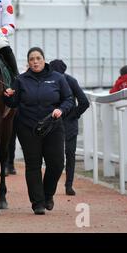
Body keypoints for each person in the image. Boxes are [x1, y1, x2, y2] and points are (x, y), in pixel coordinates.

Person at [4, 47, 73, 215]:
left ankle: (48, 194)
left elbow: (69, 99)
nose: (35, 61)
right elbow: (13, 103)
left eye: (38, 58)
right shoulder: (20, 80)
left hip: (53, 126)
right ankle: (38, 203)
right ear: (28, 62)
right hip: (28, 127)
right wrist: (7, 95)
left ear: (44, 59)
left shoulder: (57, 78)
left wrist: (61, 110)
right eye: (32, 59)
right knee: (33, 165)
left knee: (56, 164)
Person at [50, 59, 90, 196]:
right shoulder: (71, 81)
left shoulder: (49, 81)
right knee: (70, 155)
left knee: (55, 156)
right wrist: (74, 114)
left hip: (53, 122)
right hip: (69, 123)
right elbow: (84, 102)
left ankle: (52, 186)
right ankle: (69, 185)